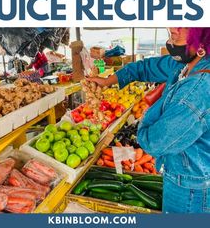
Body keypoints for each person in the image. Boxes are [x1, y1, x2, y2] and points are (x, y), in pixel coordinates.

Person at [88, 28, 210, 213]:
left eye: (184, 24)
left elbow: (154, 142)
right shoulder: (186, 64)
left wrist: (149, 113)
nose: (173, 29)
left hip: (191, 188)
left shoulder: (197, 90)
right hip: (179, 173)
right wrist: (108, 80)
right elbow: (144, 67)